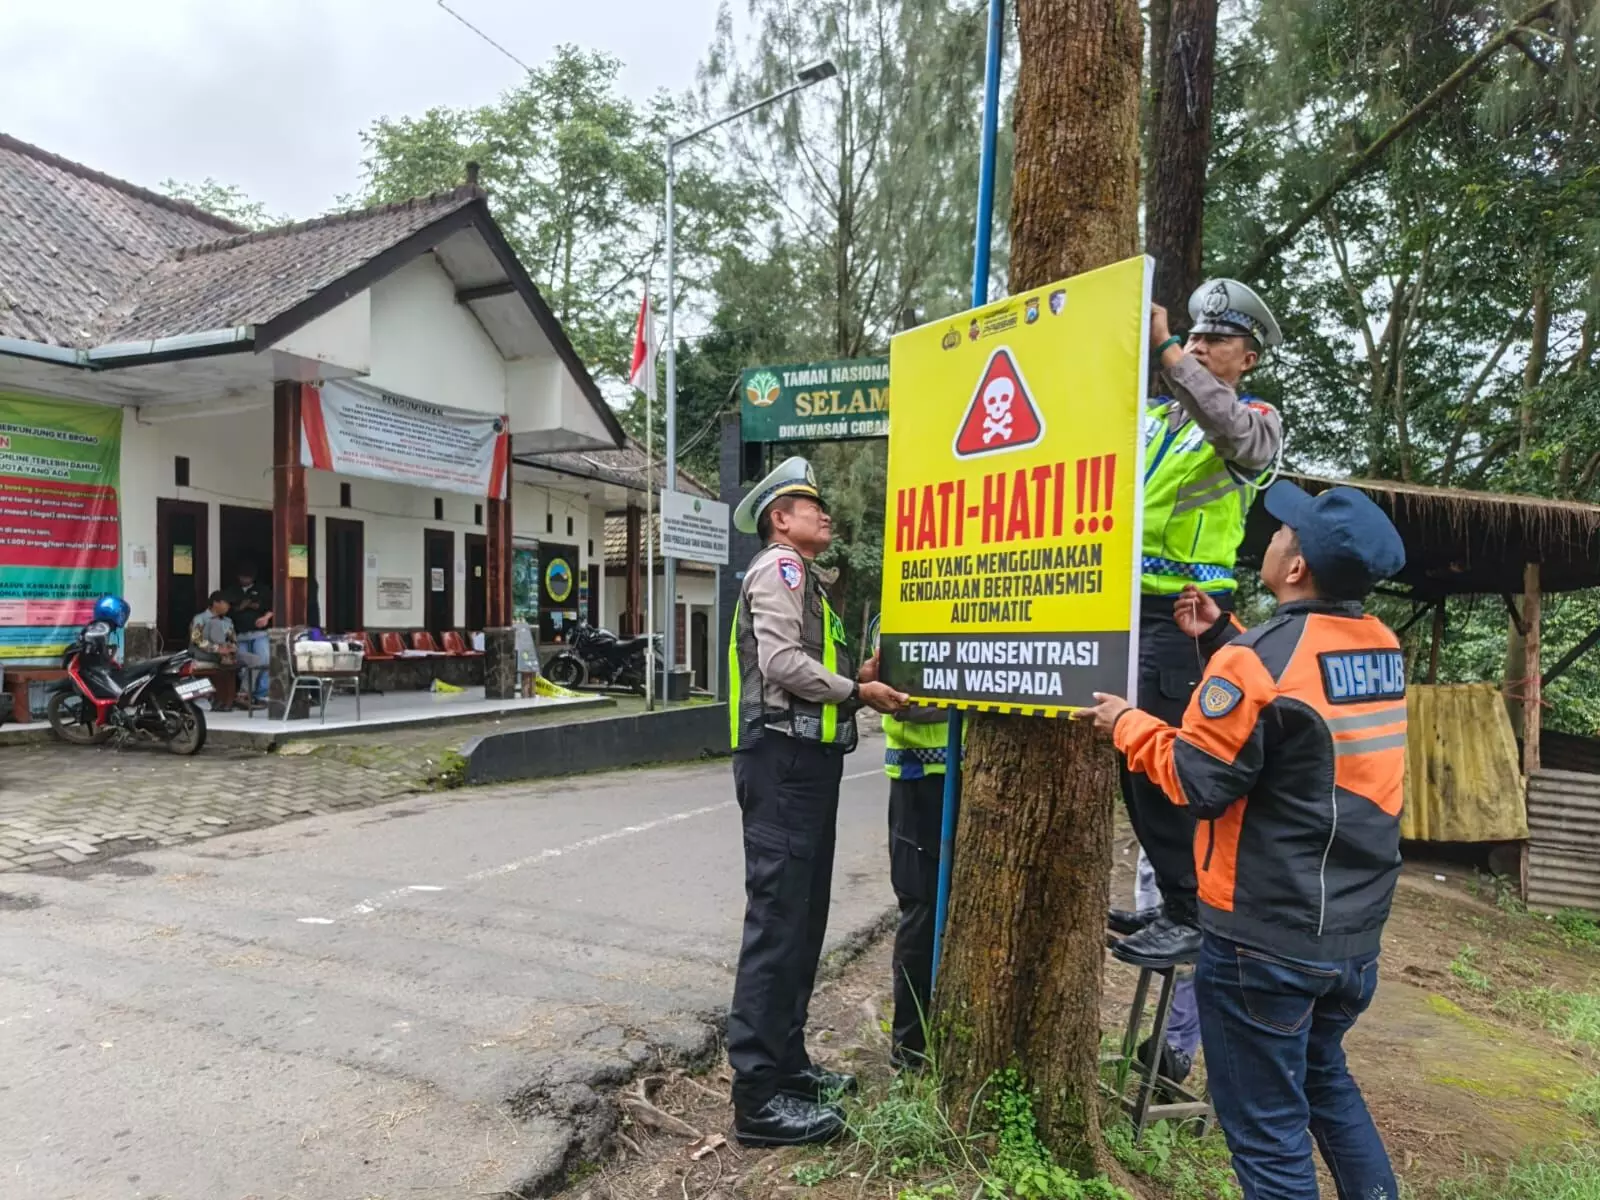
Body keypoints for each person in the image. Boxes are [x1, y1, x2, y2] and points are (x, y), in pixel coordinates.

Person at [1080, 480, 1407, 1200]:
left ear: (1296, 569)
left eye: (1286, 532)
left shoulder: (1256, 661)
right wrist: (1224, 632)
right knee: (1326, 1081)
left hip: (1264, 938)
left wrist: (1127, 724)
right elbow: (1298, 718)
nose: (1274, 536)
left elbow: (1198, 781)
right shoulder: (1381, 646)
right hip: (1351, 935)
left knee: (1266, 1134)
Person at [726, 456, 909, 1147]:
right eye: (811, 504)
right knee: (779, 921)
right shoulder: (781, 568)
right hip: (782, 761)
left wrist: (850, 676)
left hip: (806, 763)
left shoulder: (807, 581)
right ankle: (756, 1098)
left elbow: (808, 665)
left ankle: (789, 1066)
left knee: (803, 920)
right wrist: (858, 692)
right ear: (781, 518)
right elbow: (778, 665)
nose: (824, 514)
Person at [1113, 277, 1285, 969]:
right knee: (1133, 760)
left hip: (1184, 617)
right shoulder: (1159, 420)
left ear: (1248, 359)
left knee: (1165, 764)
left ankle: (1190, 907)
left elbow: (1234, 431)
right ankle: (1175, 897)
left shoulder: (1255, 420)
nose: (1200, 346)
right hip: (1125, 610)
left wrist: (1170, 353)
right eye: (1197, 335)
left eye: (1218, 340)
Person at [861, 613, 957, 1070]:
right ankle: (912, 1050)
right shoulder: (902, 612)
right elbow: (901, 698)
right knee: (921, 910)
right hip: (920, 775)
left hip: (964, 778)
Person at [224, 564, 272, 706]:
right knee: (244, 666)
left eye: (248, 577)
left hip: (259, 633)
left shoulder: (262, 590)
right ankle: (246, 694)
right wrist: (242, 607)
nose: (246, 580)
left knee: (264, 661)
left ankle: (262, 694)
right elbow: (227, 611)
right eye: (243, 577)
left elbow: (273, 606)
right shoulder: (232, 591)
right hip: (239, 634)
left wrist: (266, 618)